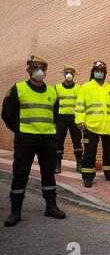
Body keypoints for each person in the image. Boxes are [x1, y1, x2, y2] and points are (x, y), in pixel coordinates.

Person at [1, 55, 66, 227]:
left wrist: (51, 133)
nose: (40, 71)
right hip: (26, 139)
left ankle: (51, 207)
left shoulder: (53, 91)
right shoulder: (18, 89)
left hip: (47, 139)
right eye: (36, 68)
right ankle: (15, 211)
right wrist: (19, 130)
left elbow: (56, 114)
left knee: (48, 173)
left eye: (43, 68)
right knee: (20, 173)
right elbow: (7, 113)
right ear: (28, 70)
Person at [75, 60, 110, 188]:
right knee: (90, 152)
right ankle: (88, 177)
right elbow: (80, 106)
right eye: (97, 71)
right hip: (90, 126)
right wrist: (80, 121)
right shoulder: (85, 87)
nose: (99, 73)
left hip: (108, 126)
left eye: (102, 71)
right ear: (93, 72)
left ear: (105, 73)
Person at [55, 65, 83, 173]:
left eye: (71, 72)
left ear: (74, 74)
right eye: (67, 72)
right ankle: (57, 164)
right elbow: (54, 104)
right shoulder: (57, 88)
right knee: (58, 142)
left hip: (74, 119)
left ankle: (79, 163)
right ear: (63, 73)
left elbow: (81, 104)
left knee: (77, 141)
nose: (69, 74)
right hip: (60, 120)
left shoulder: (79, 88)